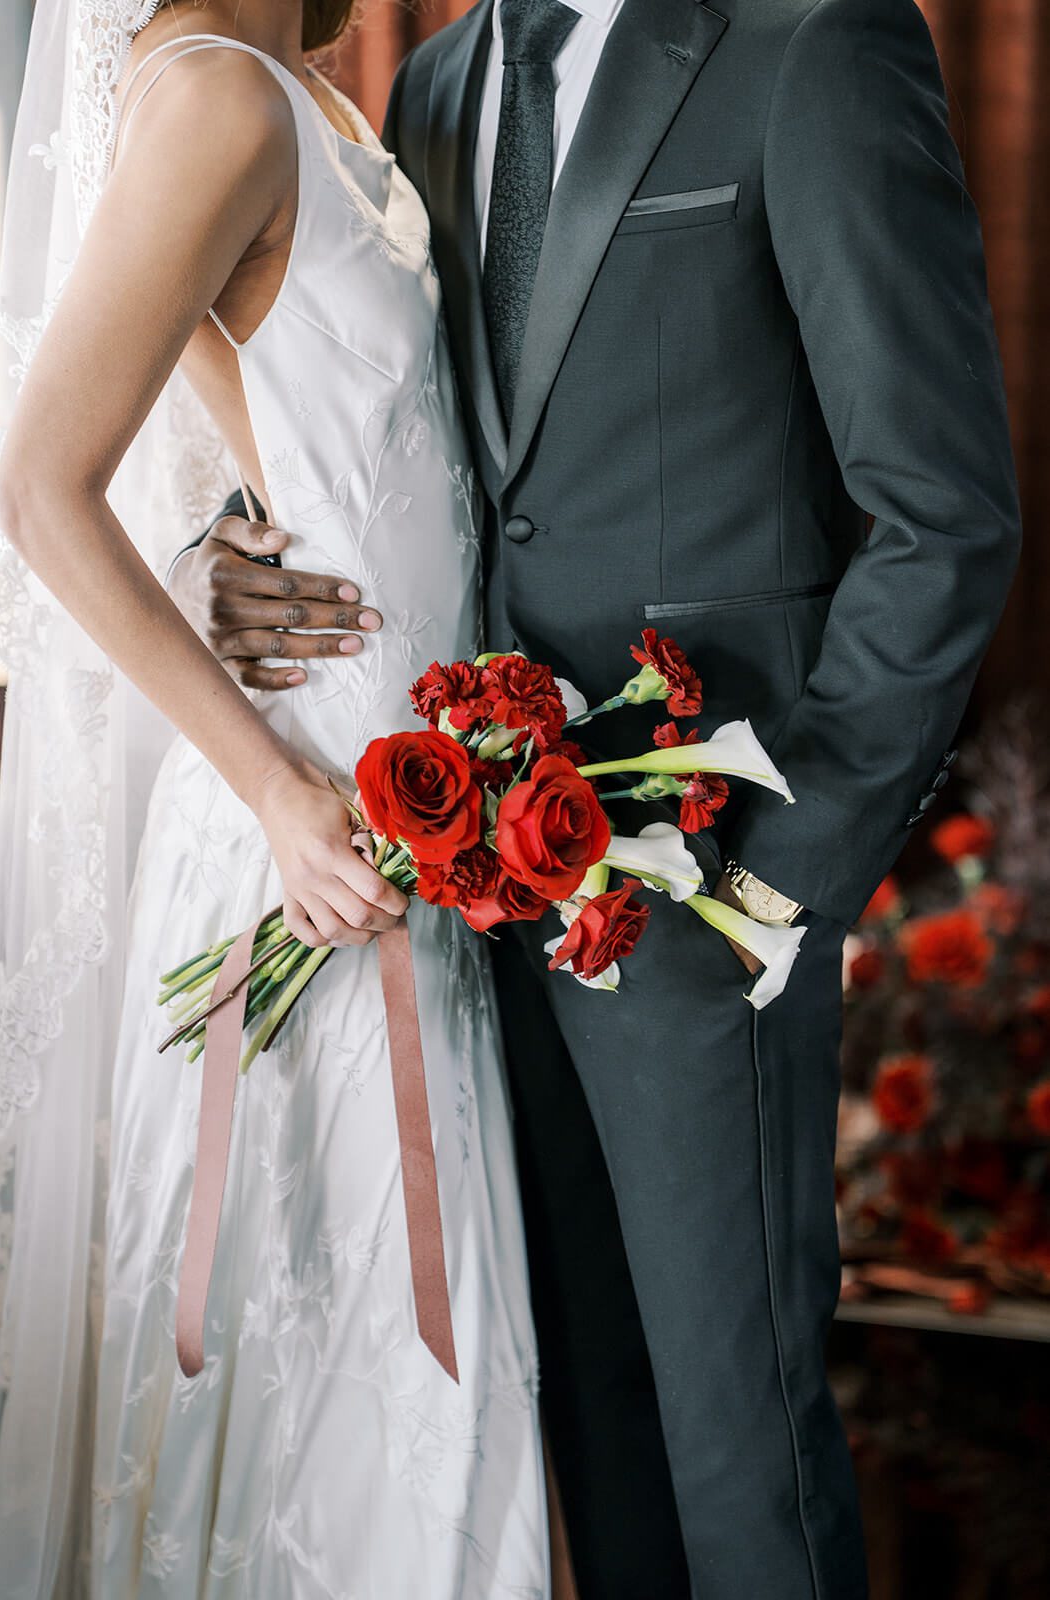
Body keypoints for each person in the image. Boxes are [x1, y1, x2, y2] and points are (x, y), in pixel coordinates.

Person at [176, 0, 1023, 1593]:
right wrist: (231, 551)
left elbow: (945, 513)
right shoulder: (428, 86)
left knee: (740, 1454)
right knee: (593, 1453)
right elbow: (387, 430)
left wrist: (777, 885)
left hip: (705, 896)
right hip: (461, 909)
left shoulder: (814, 42)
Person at [0, 1, 548, 1594]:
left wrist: (222, 542)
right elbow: (38, 486)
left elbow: (300, 436)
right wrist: (285, 799)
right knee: (339, 1417)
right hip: (311, 847)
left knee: (398, 1414)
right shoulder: (220, 95)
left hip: (417, 818)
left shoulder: (305, 92)